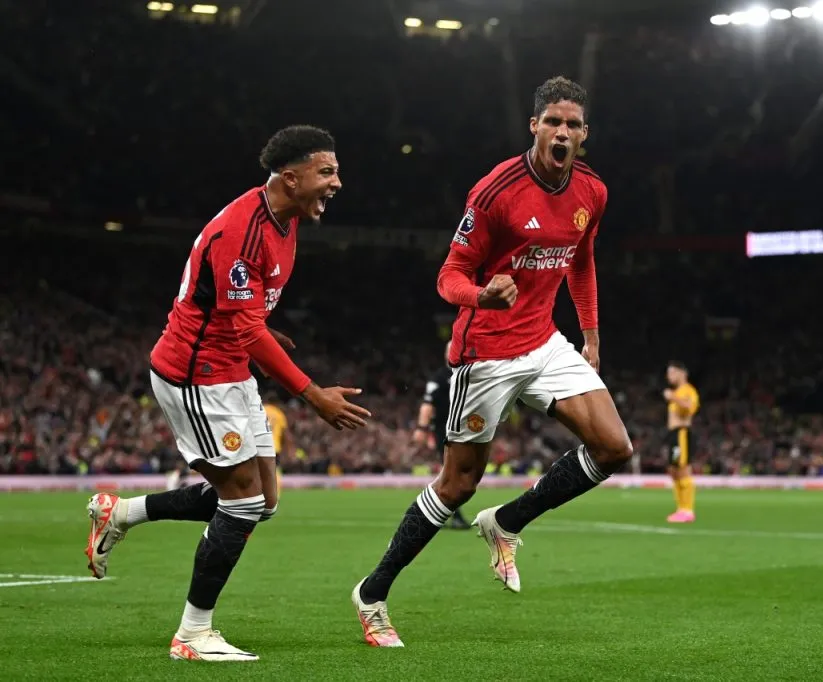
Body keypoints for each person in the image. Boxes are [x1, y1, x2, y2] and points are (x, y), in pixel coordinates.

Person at [351, 76, 633, 648]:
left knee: (614, 447)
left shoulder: (592, 192)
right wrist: (482, 295)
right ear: (534, 126)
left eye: (572, 124)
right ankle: (373, 592)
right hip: (485, 352)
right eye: (551, 121)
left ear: (585, 135)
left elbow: (581, 262)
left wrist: (592, 335)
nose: (561, 132)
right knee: (458, 483)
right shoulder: (495, 192)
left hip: (546, 340)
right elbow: (447, 276)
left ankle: (507, 522)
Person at [83, 125, 372, 662]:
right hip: (195, 372)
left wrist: (263, 326)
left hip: (231, 366)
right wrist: (312, 394)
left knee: (264, 502)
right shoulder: (242, 230)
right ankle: (192, 634)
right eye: (327, 172)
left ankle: (120, 513)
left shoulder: (285, 220)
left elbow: (244, 313)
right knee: (241, 501)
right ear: (291, 176)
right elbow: (242, 326)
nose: (337, 182)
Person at [413, 341, 470, 529]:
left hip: (466, 432)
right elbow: (427, 404)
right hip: (445, 432)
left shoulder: (470, 373)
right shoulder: (439, 378)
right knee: (453, 474)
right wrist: (422, 428)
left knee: (458, 475)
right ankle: (454, 515)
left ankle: (434, 512)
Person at [663, 361, 699, 523]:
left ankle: (687, 510)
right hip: (673, 434)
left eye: (672, 373)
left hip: (681, 433)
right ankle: (680, 508)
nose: (668, 376)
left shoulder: (688, 391)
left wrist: (674, 397)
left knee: (683, 470)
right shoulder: (678, 391)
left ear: (681, 373)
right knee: (673, 470)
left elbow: (690, 408)